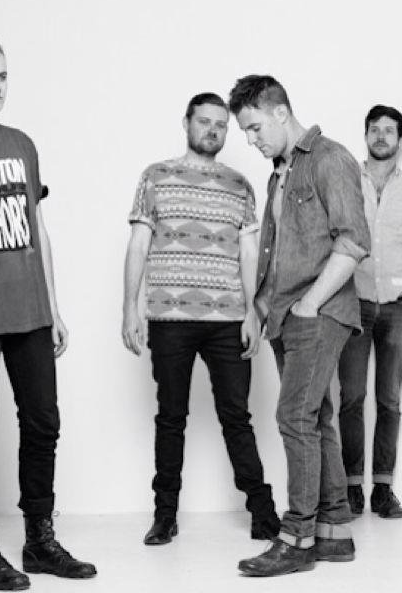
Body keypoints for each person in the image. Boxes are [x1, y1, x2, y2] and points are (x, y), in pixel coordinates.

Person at [0, 32, 96, 591]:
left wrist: (54, 307)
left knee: (44, 423)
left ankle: (39, 540)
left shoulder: (21, 144)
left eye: (2, 76)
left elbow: (38, 228)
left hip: (30, 310)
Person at [122, 92, 280, 546]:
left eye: (220, 124)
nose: (212, 130)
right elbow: (138, 244)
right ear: (187, 123)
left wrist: (252, 313)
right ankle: (164, 515)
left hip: (227, 318)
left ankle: (263, 512)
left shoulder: (239, 185)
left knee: (237, 416)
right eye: (204, 121)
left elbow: (249, 253)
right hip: (169, 317)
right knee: (171, 417)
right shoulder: (155, 177)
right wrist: (129, 306)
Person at [229, 75, 371, 576]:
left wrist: (310, 304)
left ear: (280, 113)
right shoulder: (279, 174)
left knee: (293, 416)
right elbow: (276, 257)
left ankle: (296, 538)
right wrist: (259, 310)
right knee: (315, 418)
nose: (251, 140)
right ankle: (334, 533)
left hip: (320, 311)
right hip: (284, 314)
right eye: (246, 132)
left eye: (255, 128)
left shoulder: (330, 159)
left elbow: (354, 242)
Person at [338, 105, 402, 518]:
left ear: (400, 139)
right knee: (351, 397)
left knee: (390, 400)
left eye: (389, 130)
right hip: (353, 304)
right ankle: (350, 488)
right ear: (365, 135)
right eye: (375, 129)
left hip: (397, 309)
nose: (381, 136)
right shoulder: (346, 181)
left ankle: (382, 489)